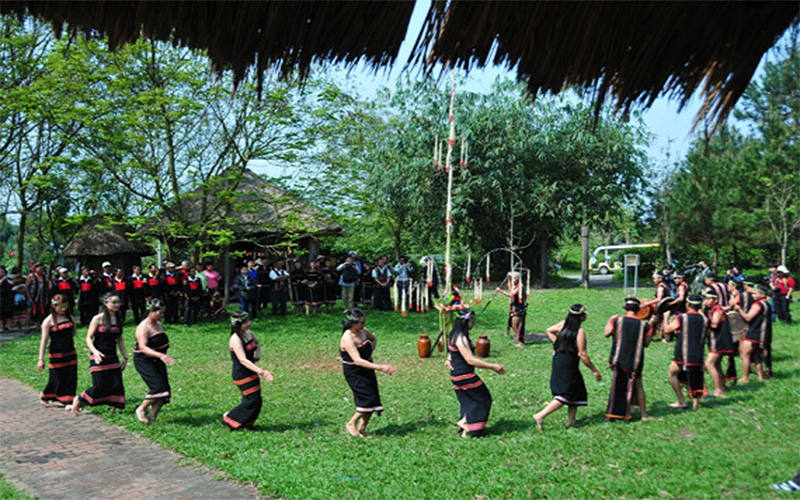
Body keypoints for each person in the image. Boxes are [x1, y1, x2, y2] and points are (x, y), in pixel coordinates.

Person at [534, 304, 601, 430]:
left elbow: (549, 330)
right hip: (569, 362)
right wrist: (594, 370)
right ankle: (540, 415)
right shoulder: (580, 332)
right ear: (581, 317)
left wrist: (559, 344)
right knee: (566, 393)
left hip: (559, 359)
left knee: (575, 390)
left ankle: (572, 421)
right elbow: (582, 354)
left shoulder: (562, 324)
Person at [446, 308, 505, 437]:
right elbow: (470, 360)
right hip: (465, 376)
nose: (473, 323)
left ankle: (464, 428)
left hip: (456, 376)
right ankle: (469, 425)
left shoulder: (453, 335)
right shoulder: (461, 338)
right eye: (472, 321)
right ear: (465, 322)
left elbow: (451, 351)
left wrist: (449, 359)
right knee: (483, 398)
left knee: (468, 400)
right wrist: (492, 366)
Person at [339, 308, 396, 437]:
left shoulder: (364, 332)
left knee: (374, 398)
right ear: (352, 323)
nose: (364, 325)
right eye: (361, 322)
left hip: (367, 369)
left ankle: (362, 428)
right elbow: (357, 360)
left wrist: (369, 353)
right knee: (367, 398)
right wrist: (381, 367)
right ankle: (351, 423)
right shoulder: (347, 337)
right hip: (354, 372)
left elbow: (374, 339)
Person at [73, 293, 128, 415]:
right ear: (105, 303)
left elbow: (119, 339)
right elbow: (88, 338)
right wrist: (95, 352)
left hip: (112, 356)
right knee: (99, 385)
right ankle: (80, 399)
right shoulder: (98, 318)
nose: (116, 305)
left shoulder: (119, 318)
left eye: (118, 302)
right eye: (113, 302)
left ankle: (114, 407)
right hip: (98, 357)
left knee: (116, 383)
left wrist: (125, 356)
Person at [604, 297, 654, 421]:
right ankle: (643, 414)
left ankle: (612, 414)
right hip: (636, 361)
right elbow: (646, 344)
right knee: (639, 386)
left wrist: (610, 319)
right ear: (638, 310)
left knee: (617, 387)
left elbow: (606, 333)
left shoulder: (616, 320)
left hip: (619, 360)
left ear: (625, 308)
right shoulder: (645, 326)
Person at [223, 311, 274, 430]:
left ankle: (246, 423)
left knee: (256, 400)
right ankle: (230, 418)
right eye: (245, 322)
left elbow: (257, 343)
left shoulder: (248, 333)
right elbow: (243, 360)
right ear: (237, 325)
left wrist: (257, 354)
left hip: (251, 371)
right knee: (251, 400)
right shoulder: (235, 339)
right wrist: (262, 372)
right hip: (242, 374)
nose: (249, 323)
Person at [662, 295, 709, 410]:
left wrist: (665, 318)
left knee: (672, 374)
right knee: (694, 376)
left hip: (683, 353)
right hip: (698, 353)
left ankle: (681, 401)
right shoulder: (705, 319)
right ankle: (695, 403)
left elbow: (667, 330)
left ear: (688, 305)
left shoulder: (682, 317)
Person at [133, 299, 175, 424]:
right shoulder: (143, 327)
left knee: (165, 392)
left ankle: (152, 419)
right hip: (145, 360)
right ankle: (141, 409)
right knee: (157, 387)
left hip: (158, 360)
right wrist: (160, 355)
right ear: (151, 311)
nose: (162, 315)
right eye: (160, 313)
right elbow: (143, 347)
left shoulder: (158, 324)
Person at [37, 294, 78, 408]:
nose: (63, 309)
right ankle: (47, 395)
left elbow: (73, 331)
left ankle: (69, 398)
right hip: (56, 352)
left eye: (65, 306)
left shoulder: (69, 317)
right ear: (54, 306)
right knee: (56, 376)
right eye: (60, 307)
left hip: (70, 350)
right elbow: (44, 341)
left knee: (71, 374)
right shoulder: (48, 321)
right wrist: (41, 359)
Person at [734, 284, 772, 383]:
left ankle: (745, 377)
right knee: (756, 356)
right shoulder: (767, 304)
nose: (753, 295)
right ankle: (760, 376)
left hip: (754, 332)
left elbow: (747, 317)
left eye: (755, 294)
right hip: (763, 333)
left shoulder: (757, 305)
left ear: (762, 295)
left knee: (745, 354)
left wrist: (739, 309)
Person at [496, 272, 526, 347]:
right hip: (514, 307)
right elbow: (510, 289)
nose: (513, 280)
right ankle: (518, 338)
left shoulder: (520, 286)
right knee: (513, 325)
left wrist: (501, 291)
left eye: (513, 279)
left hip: (519, 308)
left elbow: (512, 294)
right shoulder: (516, 286)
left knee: (516, 325)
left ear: (517, 279)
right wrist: (508, 279)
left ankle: (521, 342)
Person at [0, 265, 14, 332]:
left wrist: (6, 279)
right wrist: (2, 279)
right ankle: (1, 326)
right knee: (1, 313)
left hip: (7, 297)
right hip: (0, 297)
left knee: (8, 313)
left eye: (3, 271)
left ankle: (8, 326)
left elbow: (12, 283)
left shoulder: (8, 278)